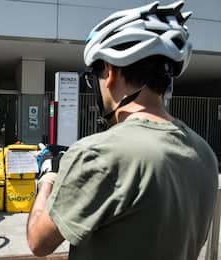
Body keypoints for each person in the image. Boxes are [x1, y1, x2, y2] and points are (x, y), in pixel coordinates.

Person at [27, 2, 219, 259]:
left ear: (110, 71)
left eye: (93, 76)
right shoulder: (203, 152)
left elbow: (39, 242)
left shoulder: (98, 153)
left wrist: (48, 178)